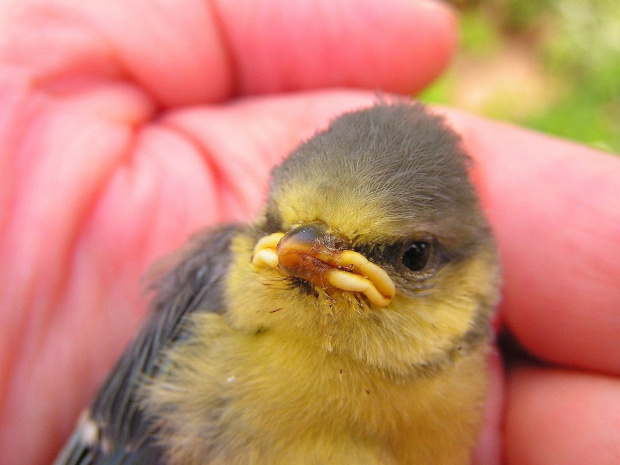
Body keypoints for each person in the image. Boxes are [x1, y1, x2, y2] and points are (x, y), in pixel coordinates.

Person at [0, 1, 618, 464]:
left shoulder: (453, 405)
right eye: (283, 226)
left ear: (473, 279)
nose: (310, 256)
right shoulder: (218, 339)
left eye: (409, 256)